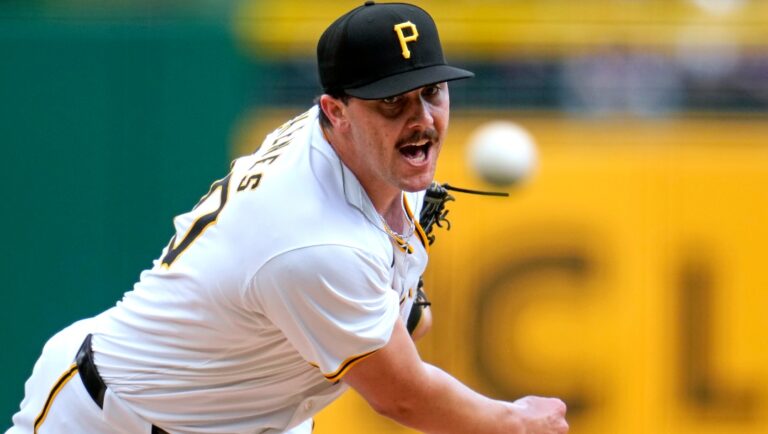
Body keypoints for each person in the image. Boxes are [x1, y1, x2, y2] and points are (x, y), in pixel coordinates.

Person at [8, 2, 569, 433]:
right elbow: (402, 394)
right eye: (392, 102)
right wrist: (513, 421)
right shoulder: (312, 239)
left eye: (432, 92)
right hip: (114, 419)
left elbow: (401, 324)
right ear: (335, 111)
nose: (421, 118)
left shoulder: (372, 158)